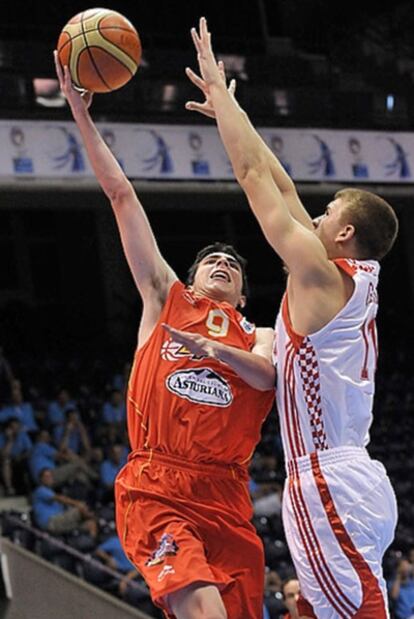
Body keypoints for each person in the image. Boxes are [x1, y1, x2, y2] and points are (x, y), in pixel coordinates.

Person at [187, 17, 399, 619]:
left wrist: (223, 97)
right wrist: (235, 114)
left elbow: (255, 181)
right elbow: (279, 181)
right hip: (353, 476)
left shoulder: (317, 272)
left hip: (326, 480)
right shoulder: (343, 280)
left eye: (328, 211)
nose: (317, 214)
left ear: (346, 232)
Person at [54, 52, 275, 619]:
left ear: (243, 294)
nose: (222, 262)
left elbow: (268, 376)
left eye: (232, 263)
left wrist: (213, 348)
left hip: (227, 493)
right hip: (158, 481)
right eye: (211, 260)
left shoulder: (262, 333)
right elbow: (121, 196)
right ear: (193, 275)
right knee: (203, 609)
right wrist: (80, 113)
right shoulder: (165, 298)